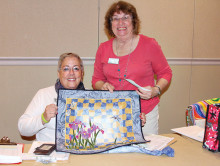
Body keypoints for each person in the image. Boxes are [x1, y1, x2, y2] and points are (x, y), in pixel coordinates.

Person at [92, 1, 172, 136]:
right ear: (110, 24)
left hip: (144, 112)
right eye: (115, 19)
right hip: (114, 112)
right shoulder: (103, 48)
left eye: (125, 18)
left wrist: (155, 90)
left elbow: (166, 73)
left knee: (144, 152)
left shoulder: (149, 44)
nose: (120, 23)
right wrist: (102, 86)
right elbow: (96, 80)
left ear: (133, 21)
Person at [18, 53, 85, 141]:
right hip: (51, 153)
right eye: (66, 69)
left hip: (81, 153)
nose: (71, 73)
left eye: (76, 68)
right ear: (59, 73)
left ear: (82, 73)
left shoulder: (92, 98)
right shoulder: (44, 94)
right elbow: (22, 128)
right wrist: (43, 118)